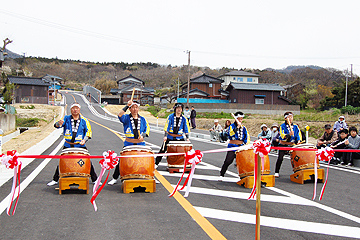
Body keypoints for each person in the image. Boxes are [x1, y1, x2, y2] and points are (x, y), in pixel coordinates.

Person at [47, 102, 99, 186]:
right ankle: (55, 179)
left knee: (87, 161)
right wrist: (58, 124)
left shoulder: (84, 120)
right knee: (62, 161)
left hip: (80, 145)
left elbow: (88, 132)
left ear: (79, 109)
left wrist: (84, 140)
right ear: (71, 109)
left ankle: (95, 179)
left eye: (77, 108)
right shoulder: (66, 118)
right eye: (73, 108)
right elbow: (57, 125)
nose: (75, 110)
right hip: (68, 145)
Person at [108, 100, 150, 185]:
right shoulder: (126, 118)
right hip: (129, 143)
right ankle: (115, 178)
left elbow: (147, 129)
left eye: (136, 107)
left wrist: (143, 136)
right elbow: (119, 115)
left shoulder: (143, 119)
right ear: (130, 109)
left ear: (138, 109)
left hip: (140, 143)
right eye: (133, 107)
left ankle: (150, 176)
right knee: (122, 160)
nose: (135, 109)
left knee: (147, 159)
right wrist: (127, 105)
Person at [155, 102, 190, 167]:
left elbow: (186, 129)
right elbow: (167, 127)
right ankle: (156, 163)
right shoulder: (170, 117)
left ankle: (183, 164)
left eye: (180, 108)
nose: (179, 109)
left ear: (182, 109)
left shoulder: (184, 118)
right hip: (170, 137)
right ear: (175, 109)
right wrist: (165, 136)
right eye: (177, 108)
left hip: (180, 137)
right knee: (163, 150)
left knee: (183, 151)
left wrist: (187, 138)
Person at [219, 111, 250, 181]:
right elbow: (230, 134)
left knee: (243, 163)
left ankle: (243, 177)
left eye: (241, 119)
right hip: (232, 146)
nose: (240, 120)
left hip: (241, 147)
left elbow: (246, 136)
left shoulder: (244, 128)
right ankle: (222, 174)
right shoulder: (231, 126)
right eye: (239, 119)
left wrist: (246, 144)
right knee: (228, 161)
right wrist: (237, 128)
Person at [274, 112, 302, 178]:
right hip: (283, 144)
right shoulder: (282, 126)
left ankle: (297, 172)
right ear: (285, 118)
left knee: (296, 158)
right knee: (280, 158)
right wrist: (288, 134)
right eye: (288, 117)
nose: (290, 119)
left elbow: (298, 134)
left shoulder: (295, 126)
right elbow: (282, 135)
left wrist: (298, 140)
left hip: (292, 144)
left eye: (291, 117)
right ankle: (276, 172)